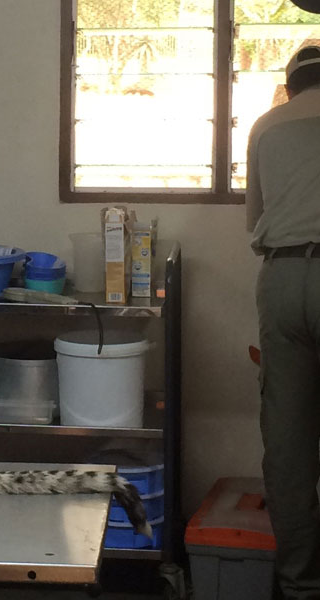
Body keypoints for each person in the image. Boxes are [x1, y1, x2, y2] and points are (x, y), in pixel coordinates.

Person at [246, 45, 320, 599]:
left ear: (291, 86)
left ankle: (299, 586)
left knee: (290, 445)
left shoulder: (266, 126)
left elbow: (256, 219)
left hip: (284, 276)